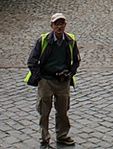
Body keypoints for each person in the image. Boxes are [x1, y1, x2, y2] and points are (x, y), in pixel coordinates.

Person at [26, 12, 81, 148]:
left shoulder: (70, 41)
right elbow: (32, 61)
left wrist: (70, 74)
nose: (59, 27)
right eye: (57, 24)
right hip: (46, 80)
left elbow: (76, 60)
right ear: (52, 26)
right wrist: (39, 78)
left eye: (62, 23)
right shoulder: (43, 40)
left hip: (63, 81)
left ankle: (62, 136)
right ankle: (44, 138)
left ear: (65, 25)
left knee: (63, 110)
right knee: (44, 111)